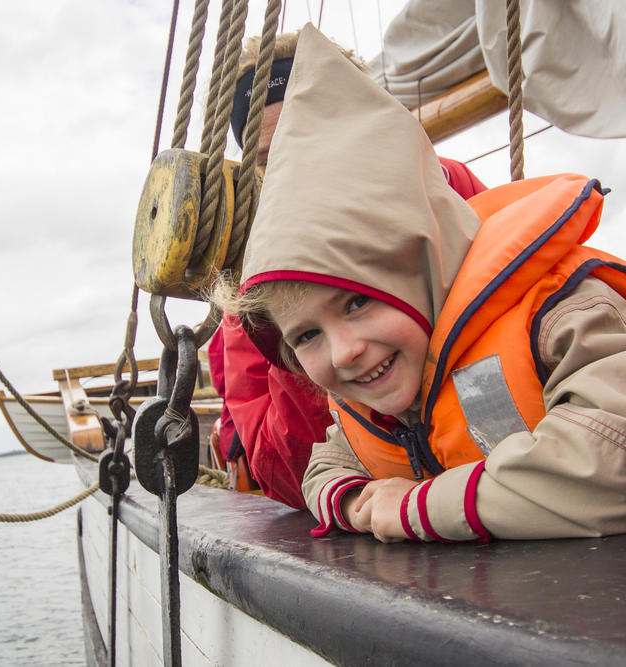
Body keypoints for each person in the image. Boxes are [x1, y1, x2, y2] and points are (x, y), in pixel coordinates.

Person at [212, 23, 626, 543]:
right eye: (273, 163)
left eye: (359, 301)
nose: (344, 350)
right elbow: (301, 467)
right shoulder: (264, 297)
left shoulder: (538, 297)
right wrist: (361, 498)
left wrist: (415, 507)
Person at [207, 30, 487, 509]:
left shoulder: (453, 191)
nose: (297, 174)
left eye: (315, 141)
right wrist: (301, 330)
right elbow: (288, 474)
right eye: (270, 163)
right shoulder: (254, 292)